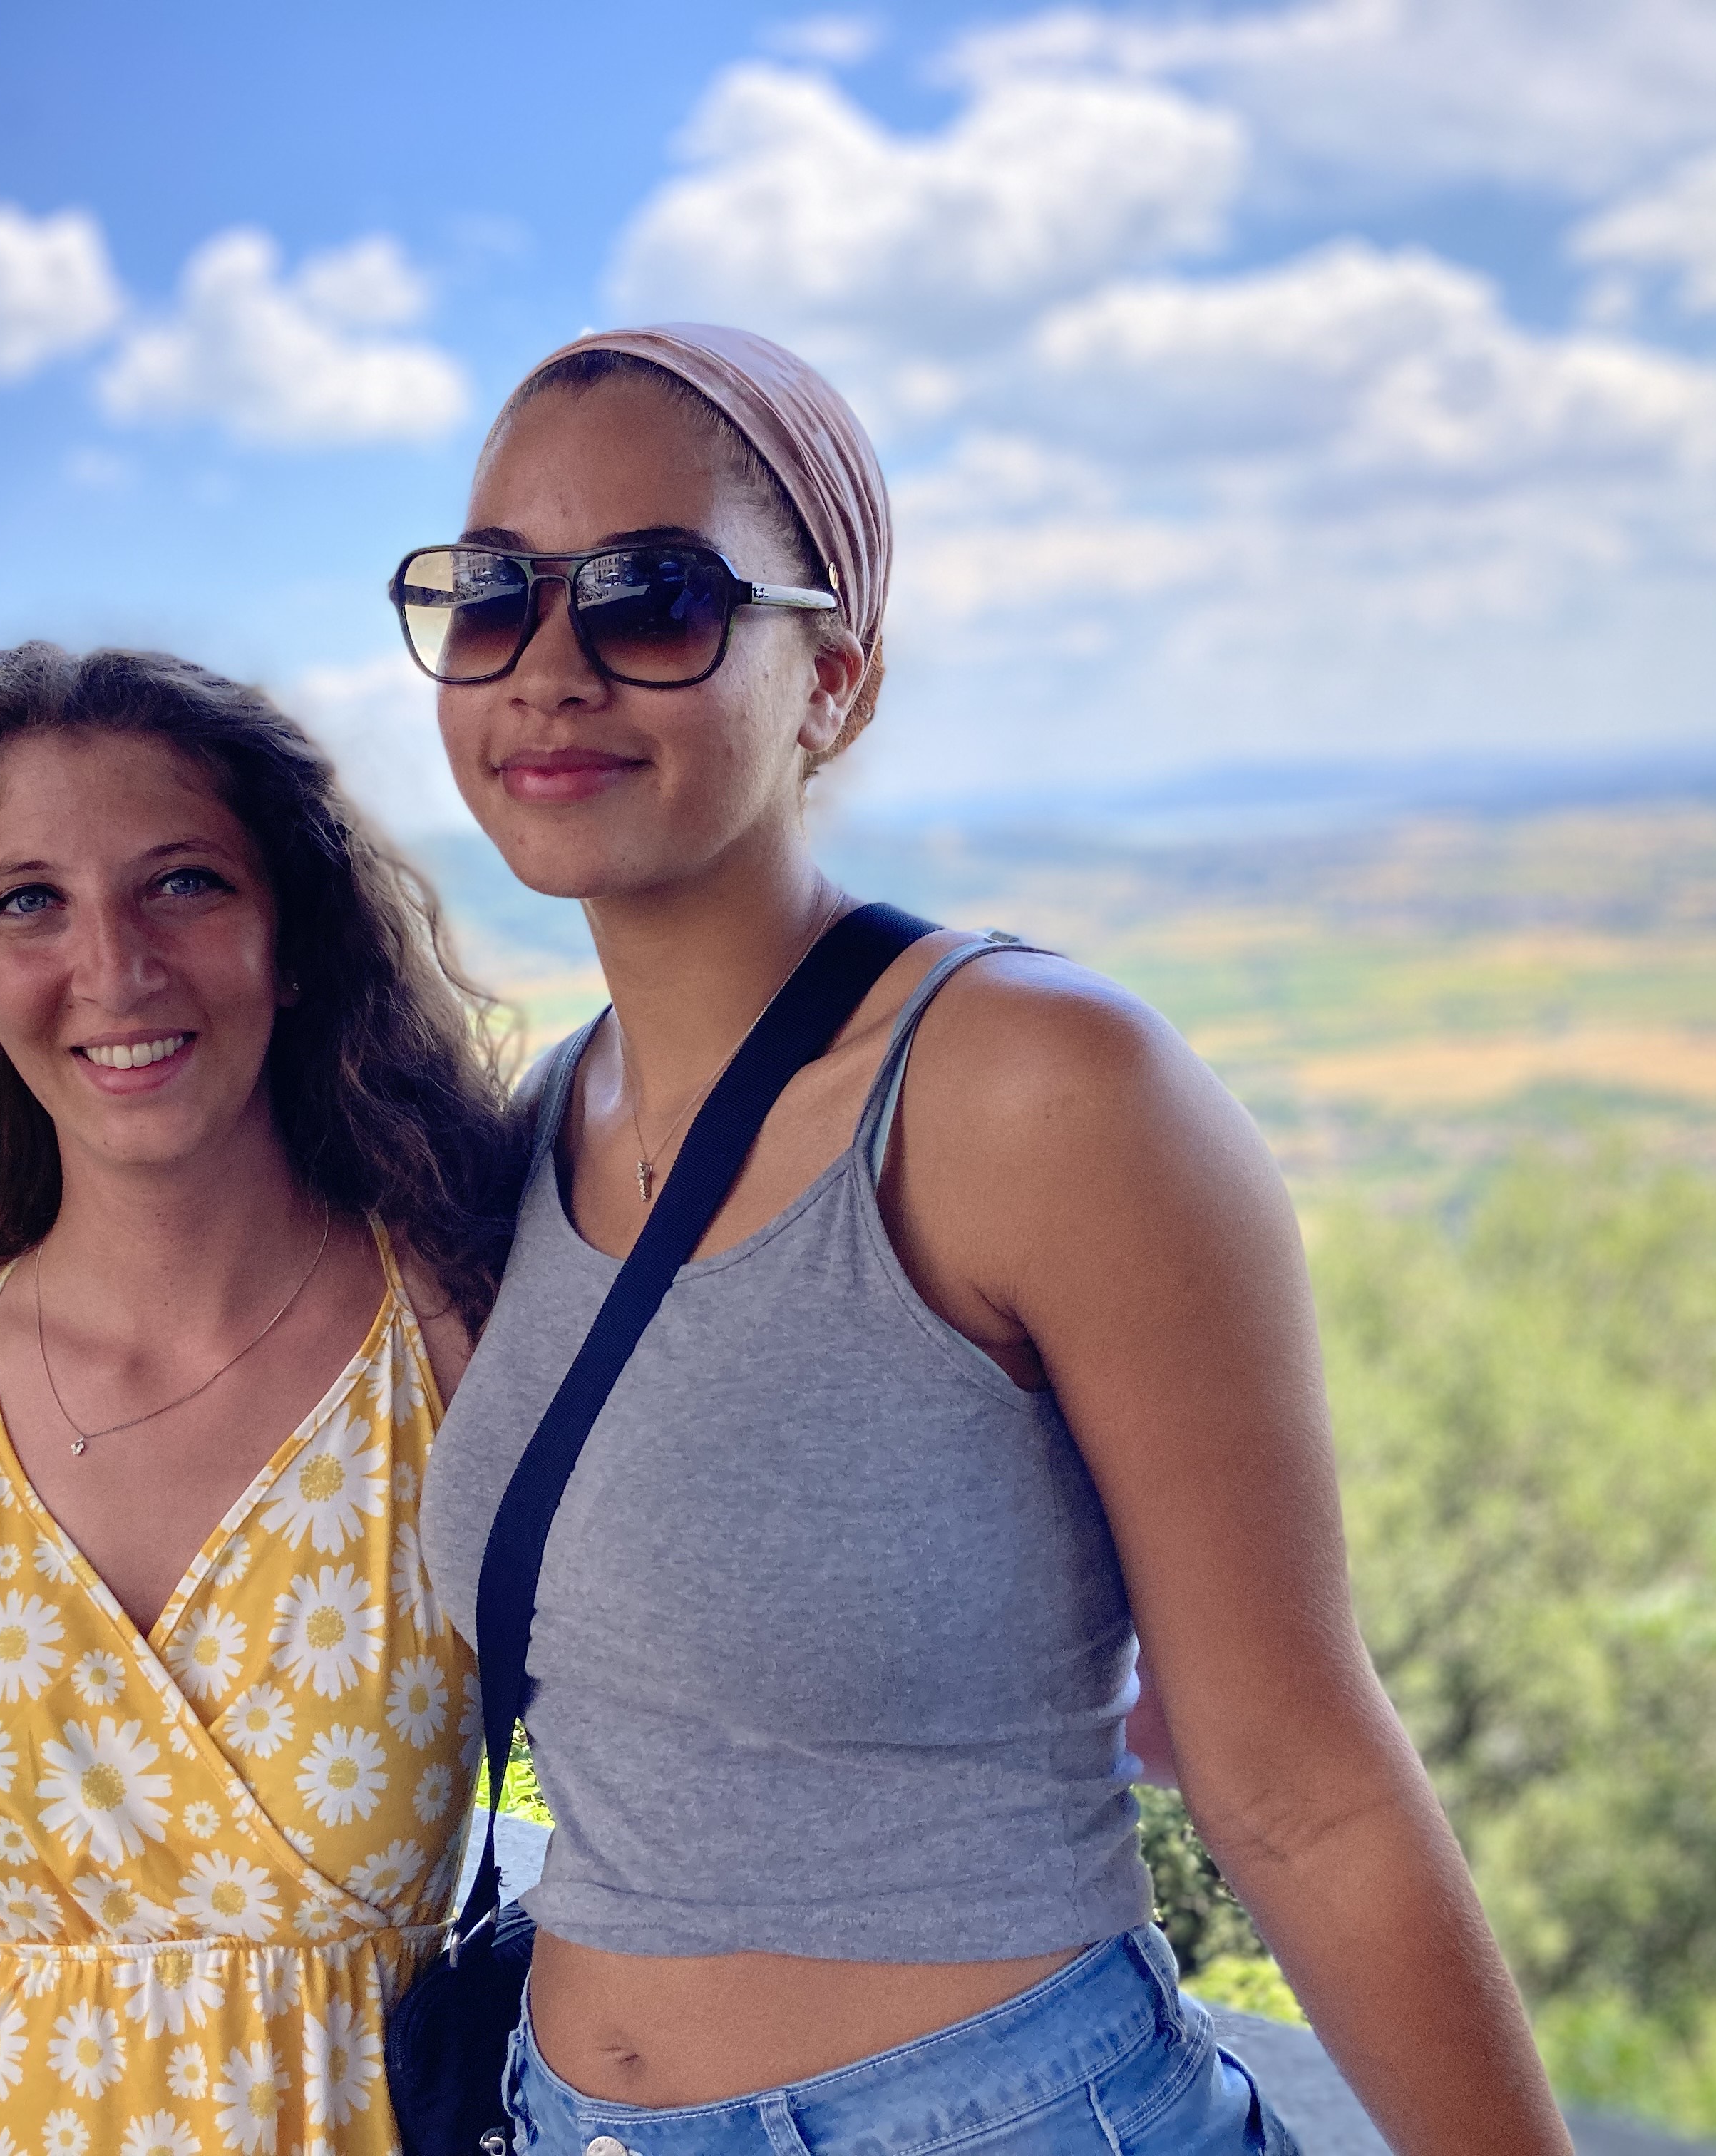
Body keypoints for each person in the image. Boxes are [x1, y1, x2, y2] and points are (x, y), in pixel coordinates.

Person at [411, 328, 1576, 2155]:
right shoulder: (544, 1125)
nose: (550, 667)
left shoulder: (1036, 1090)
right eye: (493, 596)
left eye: (656, 596)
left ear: (836, 680)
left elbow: (1294, 1782)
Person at [0, 643, 513, 2156]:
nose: (114, 966)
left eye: (183, 884)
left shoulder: (459, 1336)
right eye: (30, 900)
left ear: (289, 935)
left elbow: (625, 1788)